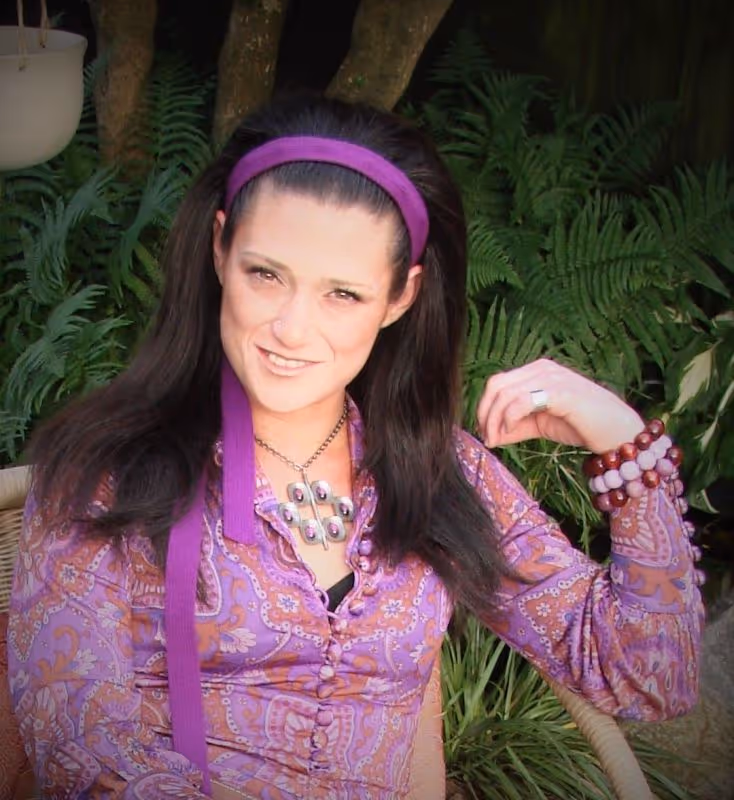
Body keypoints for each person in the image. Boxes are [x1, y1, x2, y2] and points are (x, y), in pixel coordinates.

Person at [8, 95, 703, 800]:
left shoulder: (438, 472)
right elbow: (80, 752)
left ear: (400, 298)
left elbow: (649, 677)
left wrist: (619, 436)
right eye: (266, 274)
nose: (292, 328)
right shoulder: (103, 471)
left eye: (342, 293)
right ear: (220, 250)